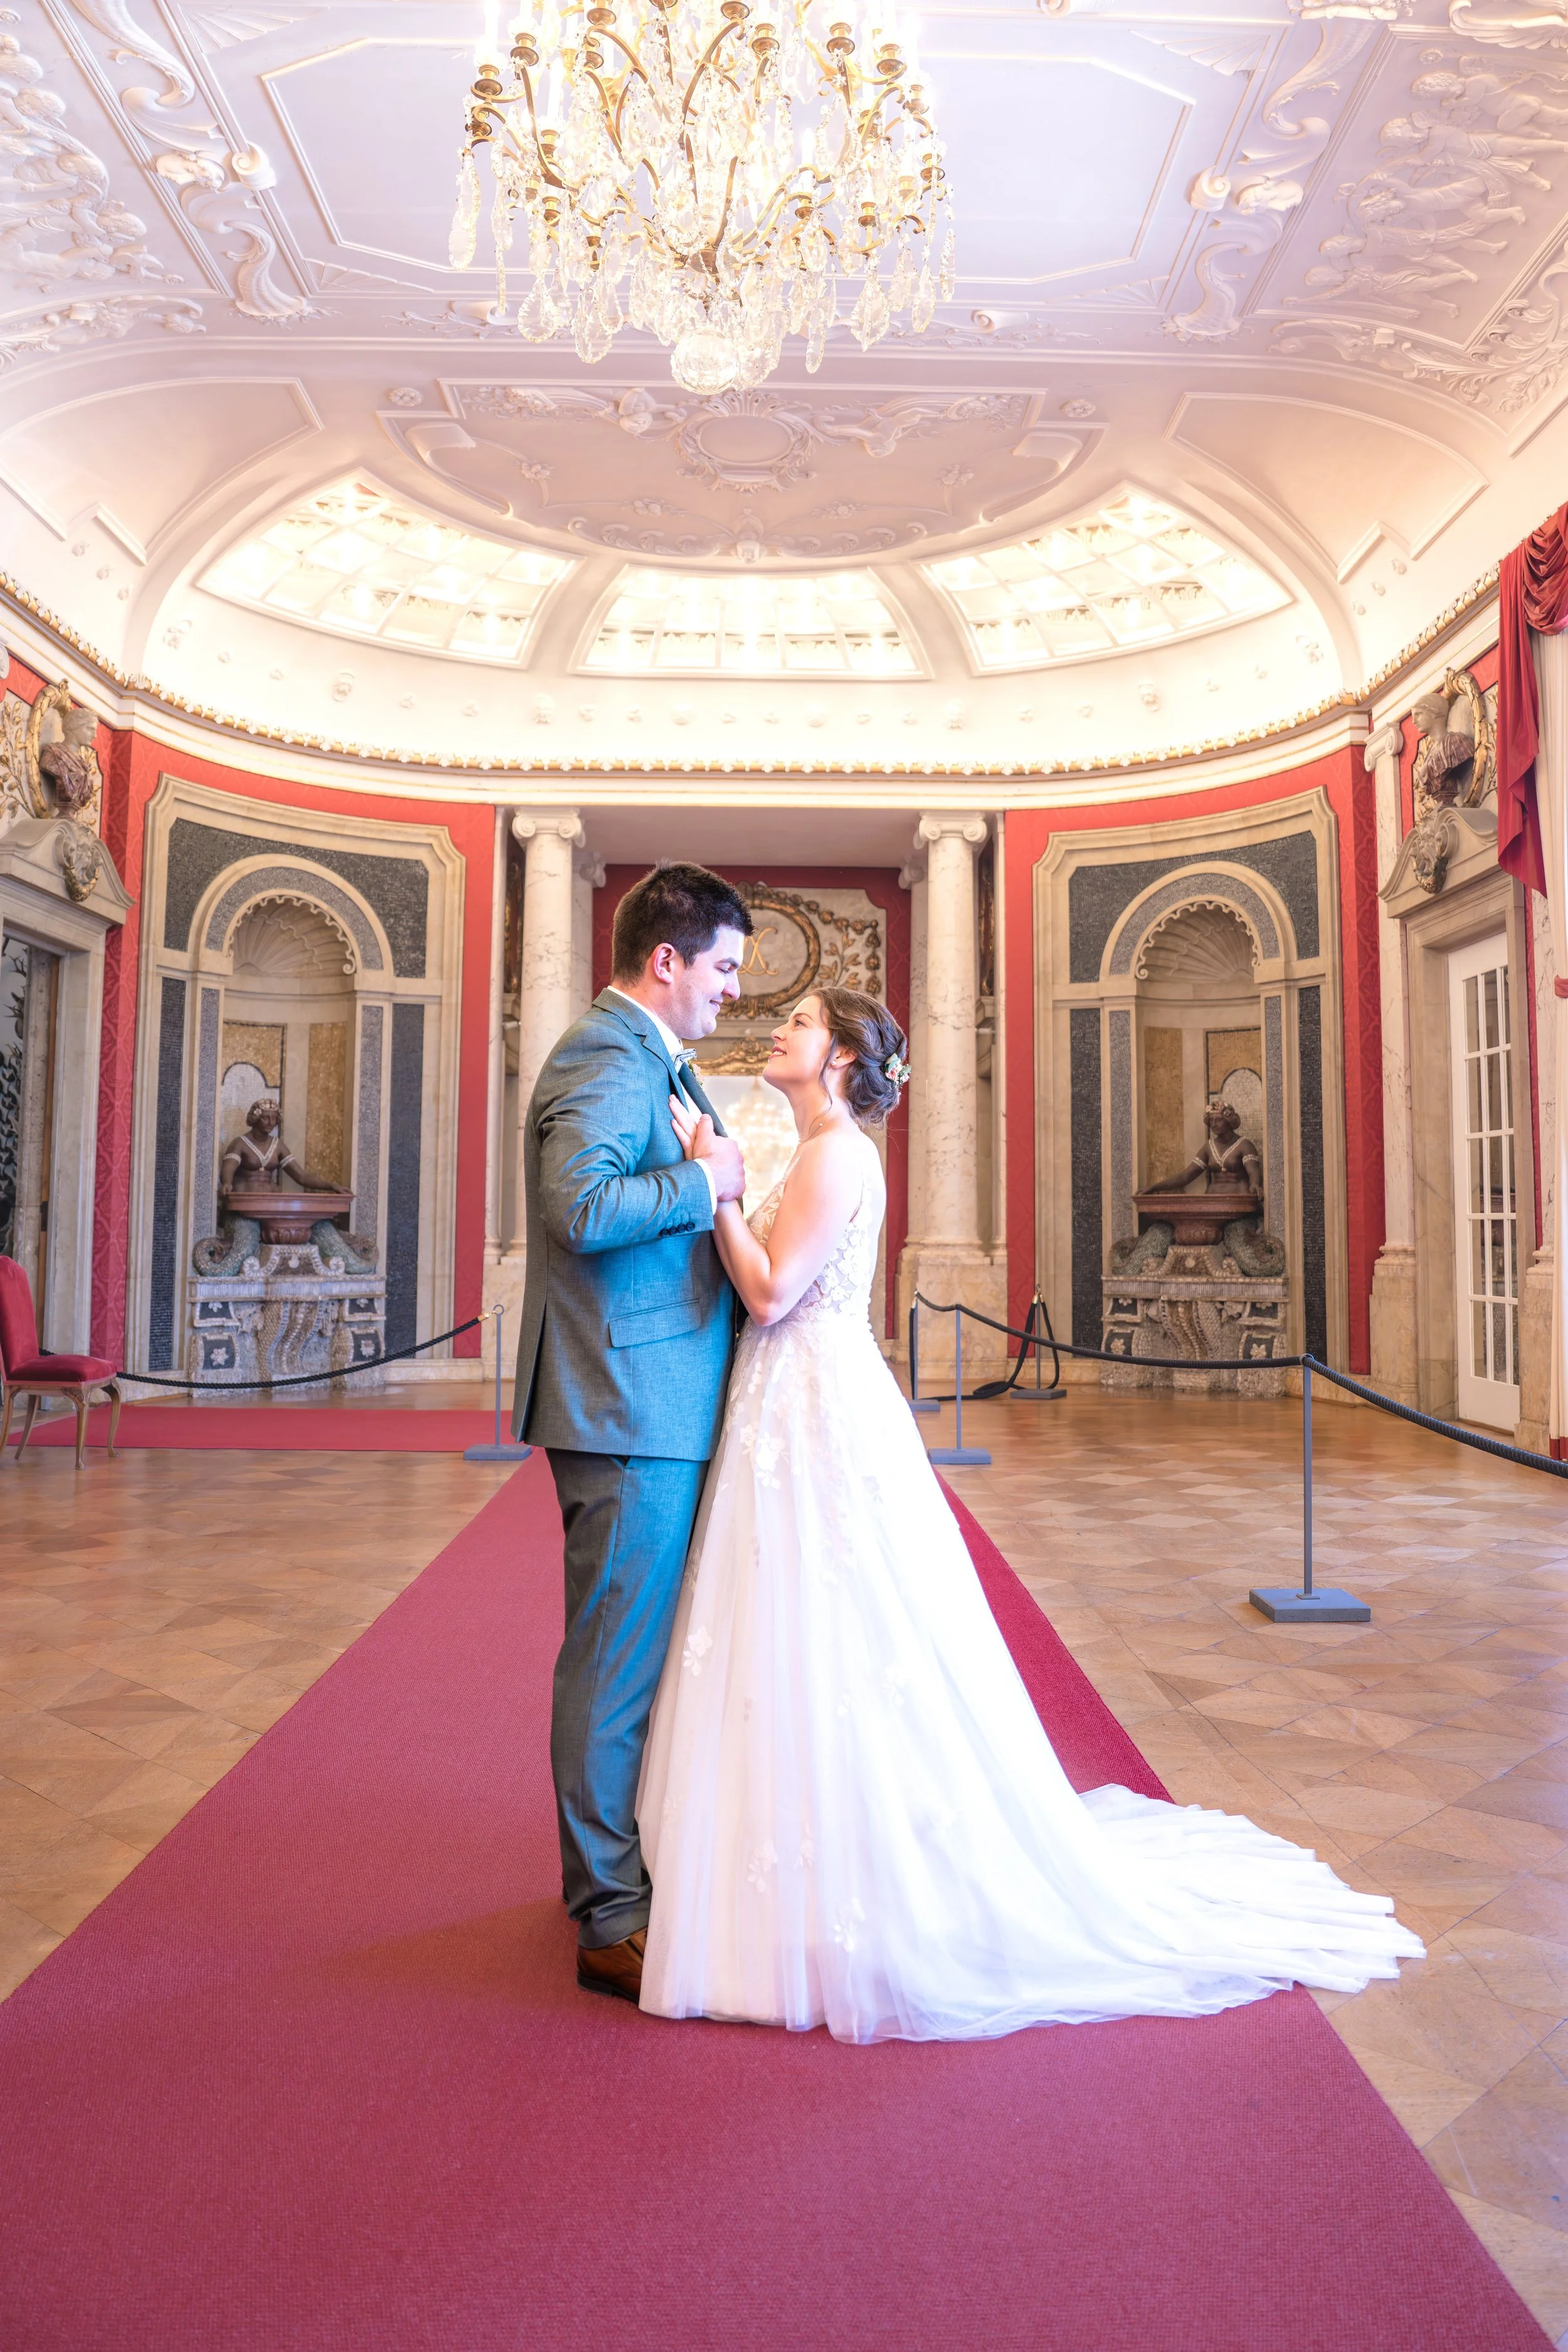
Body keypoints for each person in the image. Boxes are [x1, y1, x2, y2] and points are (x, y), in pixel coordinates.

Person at [637, 986, 1423, 2044]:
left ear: (836, 1061)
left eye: (802, 1023)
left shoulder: (834, 1157)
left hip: (813, 1405)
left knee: (832, 1623)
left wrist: (720, 1193)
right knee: (806, 1628)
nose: (780, 1028)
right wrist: (726, 1176)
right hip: (789, 1403)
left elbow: (773, 1294)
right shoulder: (820, 1144)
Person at [513, 862, 752, 2002]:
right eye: (724, 967)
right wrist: (705, 1184)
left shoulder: (652, 1057)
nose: (731, 991)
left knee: (641, 1658)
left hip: (659, 1397)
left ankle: (630, 1870)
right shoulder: (607, 1053)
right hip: (626, 1403)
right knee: (612, 1666)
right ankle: (606, 1914)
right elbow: (582, 1206)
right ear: (668, 959)